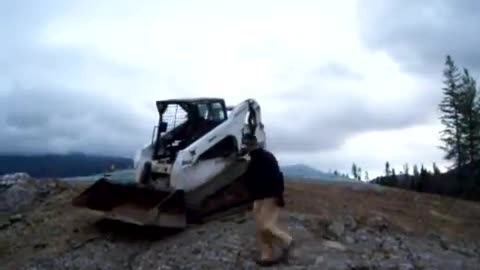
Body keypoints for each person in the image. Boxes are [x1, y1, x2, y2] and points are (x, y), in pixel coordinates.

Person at [242, 133, 294, 266]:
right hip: (257, 198)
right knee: (260, 229)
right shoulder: (252, 161)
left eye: (248, 144)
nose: (247, 147)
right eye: (246, 144)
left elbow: (278, 177)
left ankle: (287, 241)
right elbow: (248, 181)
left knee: (266, 226)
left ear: (253, 144)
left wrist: (279, 196)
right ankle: (267, 255)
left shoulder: (267, 158)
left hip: (270, 197)